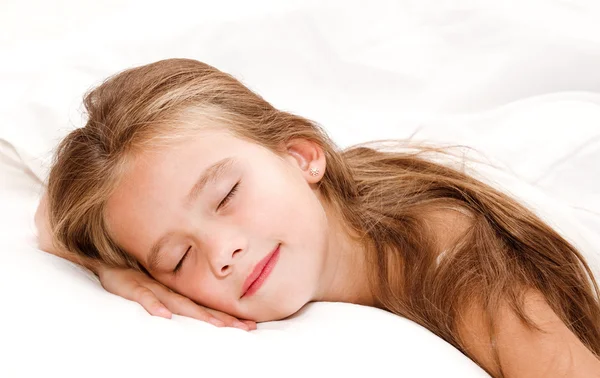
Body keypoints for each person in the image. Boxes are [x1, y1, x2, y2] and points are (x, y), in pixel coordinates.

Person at [35, 58, 600, 377]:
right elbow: (48, 220)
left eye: (227, 195)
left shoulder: (449, 254)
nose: (221, 252)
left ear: (301, 155)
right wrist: (113, 270)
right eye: (179, 257)